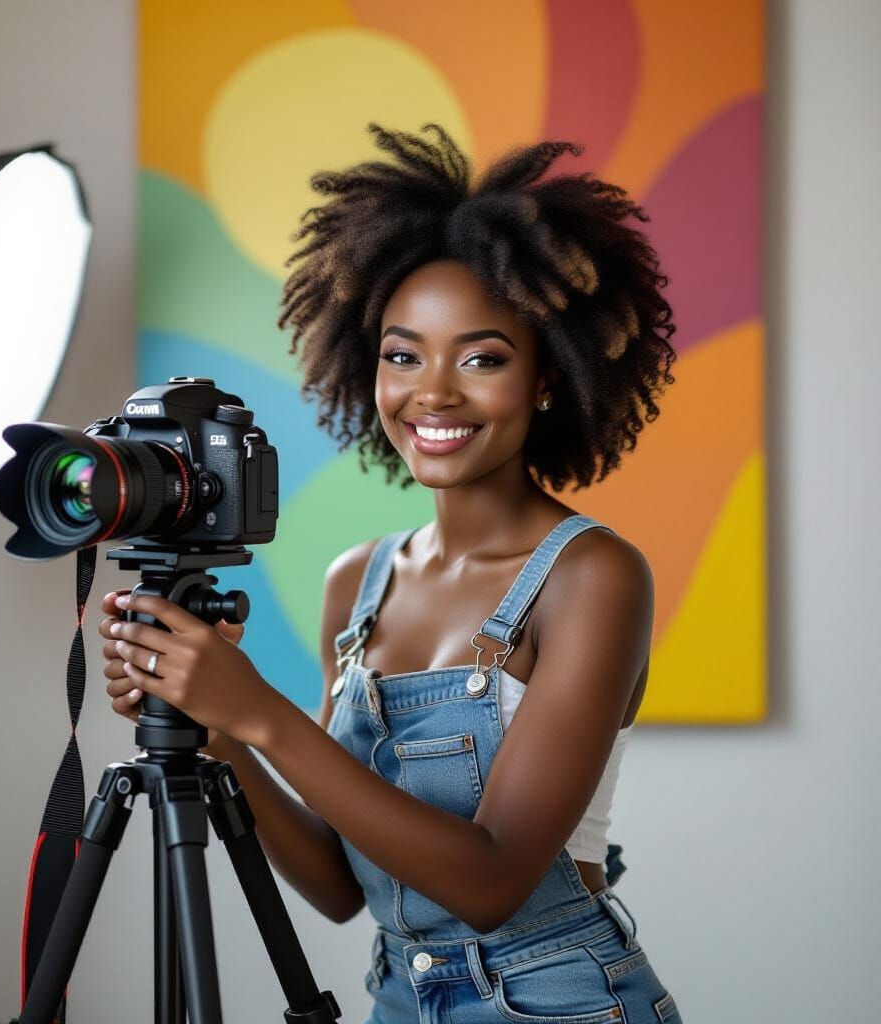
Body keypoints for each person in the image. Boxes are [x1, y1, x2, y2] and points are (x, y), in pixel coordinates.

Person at [99, 123, 682, 1023]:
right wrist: (217, 729)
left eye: (481, 357)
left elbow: (490, 883)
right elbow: (339, 884)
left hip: (559, 999)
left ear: (548, 379)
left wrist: (259, 711)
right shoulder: (358, 582)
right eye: (402, 355)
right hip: (398, 996)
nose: (433, 393)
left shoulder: (594, 577)